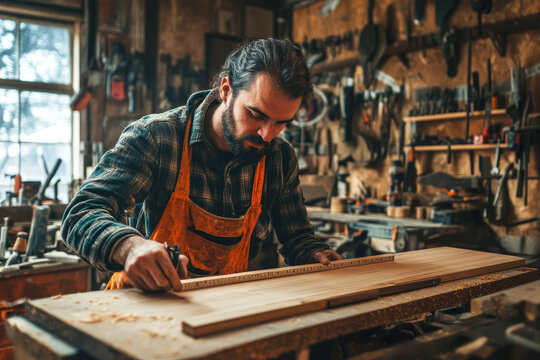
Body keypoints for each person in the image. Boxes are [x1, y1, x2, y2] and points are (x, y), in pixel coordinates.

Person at [62, 38, 341, 292]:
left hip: (222, 312)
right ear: (226, 89)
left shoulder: (279, 157)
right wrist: (129, 247)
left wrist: (316, 254)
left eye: (282, 122)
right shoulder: (156, 138)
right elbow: (80, 214)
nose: (267, 135)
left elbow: (298, 238)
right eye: (256, 114)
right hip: (142, 309)